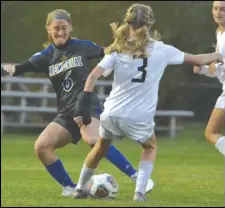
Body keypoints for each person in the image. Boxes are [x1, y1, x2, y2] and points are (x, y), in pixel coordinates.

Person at [71, 3, 224, 202]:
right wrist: (216, 55)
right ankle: (139, 193)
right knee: (149, 147)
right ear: (150, 24)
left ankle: (80, 188)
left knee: (100, 147)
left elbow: (92, 76)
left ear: (128, 22)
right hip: (138, 117)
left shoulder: (118, 49)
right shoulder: (162, 50)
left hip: (111, 113)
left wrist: (82, 105)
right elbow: (197, 59)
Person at [2, 9, 154, 197]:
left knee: (93, 140)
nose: (60, 32)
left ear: (70, 28)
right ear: (48, 29)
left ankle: (135, 175)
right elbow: (21, 68)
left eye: (64, 28)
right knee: (41, 147)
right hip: (66, 113)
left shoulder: (83, 46)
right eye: (56, 28)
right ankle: (69, 187)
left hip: (86, 105)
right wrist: (10, 69)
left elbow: (111, 53)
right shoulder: (46, 55)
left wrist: (136, 51)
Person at [193, 1, 225, 156]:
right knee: (211, 132)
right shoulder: (220, 33)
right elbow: (218, 68)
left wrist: (204, 66)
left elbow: (218, 66)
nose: (218, 12)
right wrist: (204, 69)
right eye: (215, 8)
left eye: (223, 9)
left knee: (211, 132)